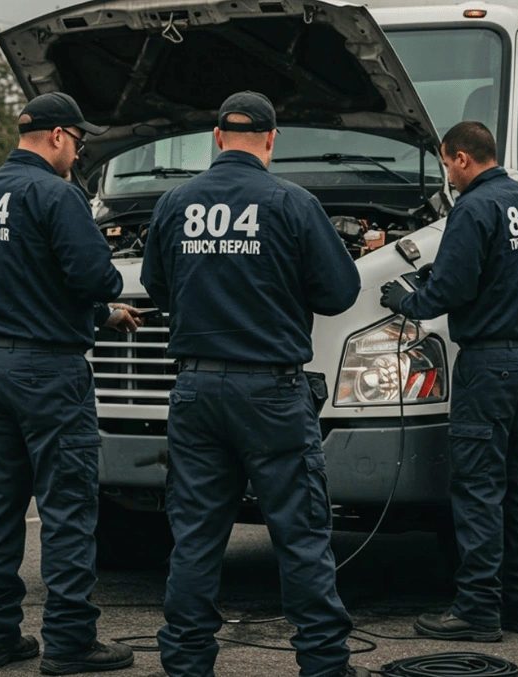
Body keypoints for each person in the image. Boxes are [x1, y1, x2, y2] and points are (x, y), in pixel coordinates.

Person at [141, 91, 368, 677]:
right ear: (271, 140)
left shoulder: (174, 203)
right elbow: (340, 292)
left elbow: (158, 287)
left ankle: (186, 662)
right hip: (271, 394)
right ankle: (324, 663)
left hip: (195, 391)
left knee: (195, 536)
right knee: (299, 533)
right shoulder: (293, 202)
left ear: (217, 137)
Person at [0, 91, 139, 674]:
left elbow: (19, 279)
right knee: (67, 508)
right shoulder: (57, 194)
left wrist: (99, 318)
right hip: (47, 374)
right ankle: (69, 641)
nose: (78, 154)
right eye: (78, 143)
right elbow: (94, 276)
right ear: (58, 136)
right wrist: (108, 293)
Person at [380, 121, 518, 641]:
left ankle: (477, 609)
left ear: (461, 158)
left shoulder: (473, 208)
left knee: (478, 487)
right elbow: (506, 272)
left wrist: (407, 300)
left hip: (489, 364)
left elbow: (451, 291)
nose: (448, 176)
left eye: (446, 164)